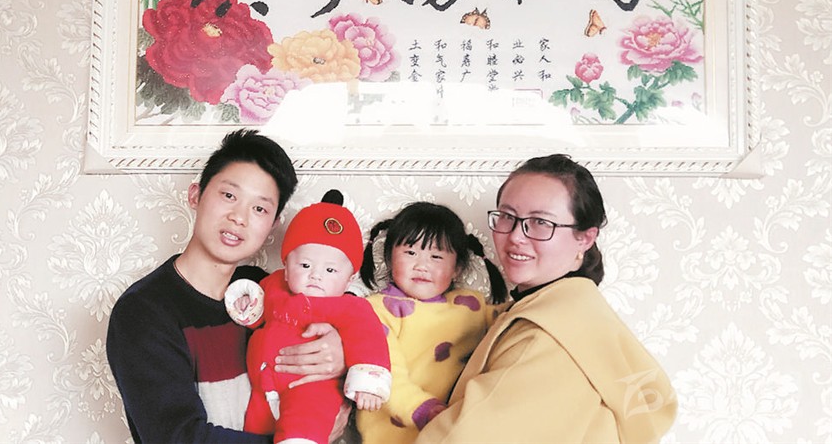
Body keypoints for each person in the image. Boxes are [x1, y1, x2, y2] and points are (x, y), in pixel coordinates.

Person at [107, 129, 348, 443]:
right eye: (229, 196)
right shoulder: (143, 311)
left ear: (273, 225)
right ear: (195, 195)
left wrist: (340, 348)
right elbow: (178, 437)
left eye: (259, 209)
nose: (239, 217)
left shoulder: (262, 287)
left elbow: (342, 309)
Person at [417, 155, 678, 443]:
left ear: (585, 238)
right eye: (507, 216)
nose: (516, 236)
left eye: (541, 222)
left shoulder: (544, 336)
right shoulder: (578, 315)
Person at [225, 190, 391, 444]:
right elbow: (257, 314)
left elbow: (368, 338)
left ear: (349, 279)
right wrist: (246, 306)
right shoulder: (274, 286)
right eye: (305, 265)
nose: (316, 275)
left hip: (312, 386)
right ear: (286, 269)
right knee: (253, 429)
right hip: (264, 386)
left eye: (330, 270)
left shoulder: (349, 307)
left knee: (305, 423)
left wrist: (368, 383)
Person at [355, 202, 507, 444]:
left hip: (455, 430)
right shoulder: (376, 310)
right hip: (396, 434)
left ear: (457, 268)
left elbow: (512, 321)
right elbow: (383, 371)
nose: (422, 266)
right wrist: (423, 409)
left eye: (436, 257)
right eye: (410, 253)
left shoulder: (470, 306)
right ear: (389, 258)